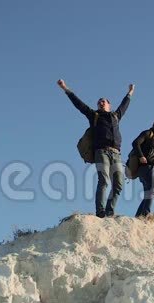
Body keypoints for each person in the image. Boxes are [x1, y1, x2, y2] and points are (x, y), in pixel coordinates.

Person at [57, 79, 135, 218]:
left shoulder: (116, 116)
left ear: (109, 105)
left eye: (103, 101)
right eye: (99, 101)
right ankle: (100, 212)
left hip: (116, 153)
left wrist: (130, 93)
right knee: (104, 181)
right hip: (101, 152)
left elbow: (124, 106)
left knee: (118, 184)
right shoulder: (94, 115)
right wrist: (65, 88)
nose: (100, 102)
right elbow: (79, 104)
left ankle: (110, 211)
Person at [132, 117, 154, 217]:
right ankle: (145, 215)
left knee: (149, 193)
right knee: (153, 191)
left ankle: (139, 217)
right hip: (148, 167)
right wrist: (141, 156)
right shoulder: (148, 133)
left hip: (152, 169)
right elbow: (135, 143)